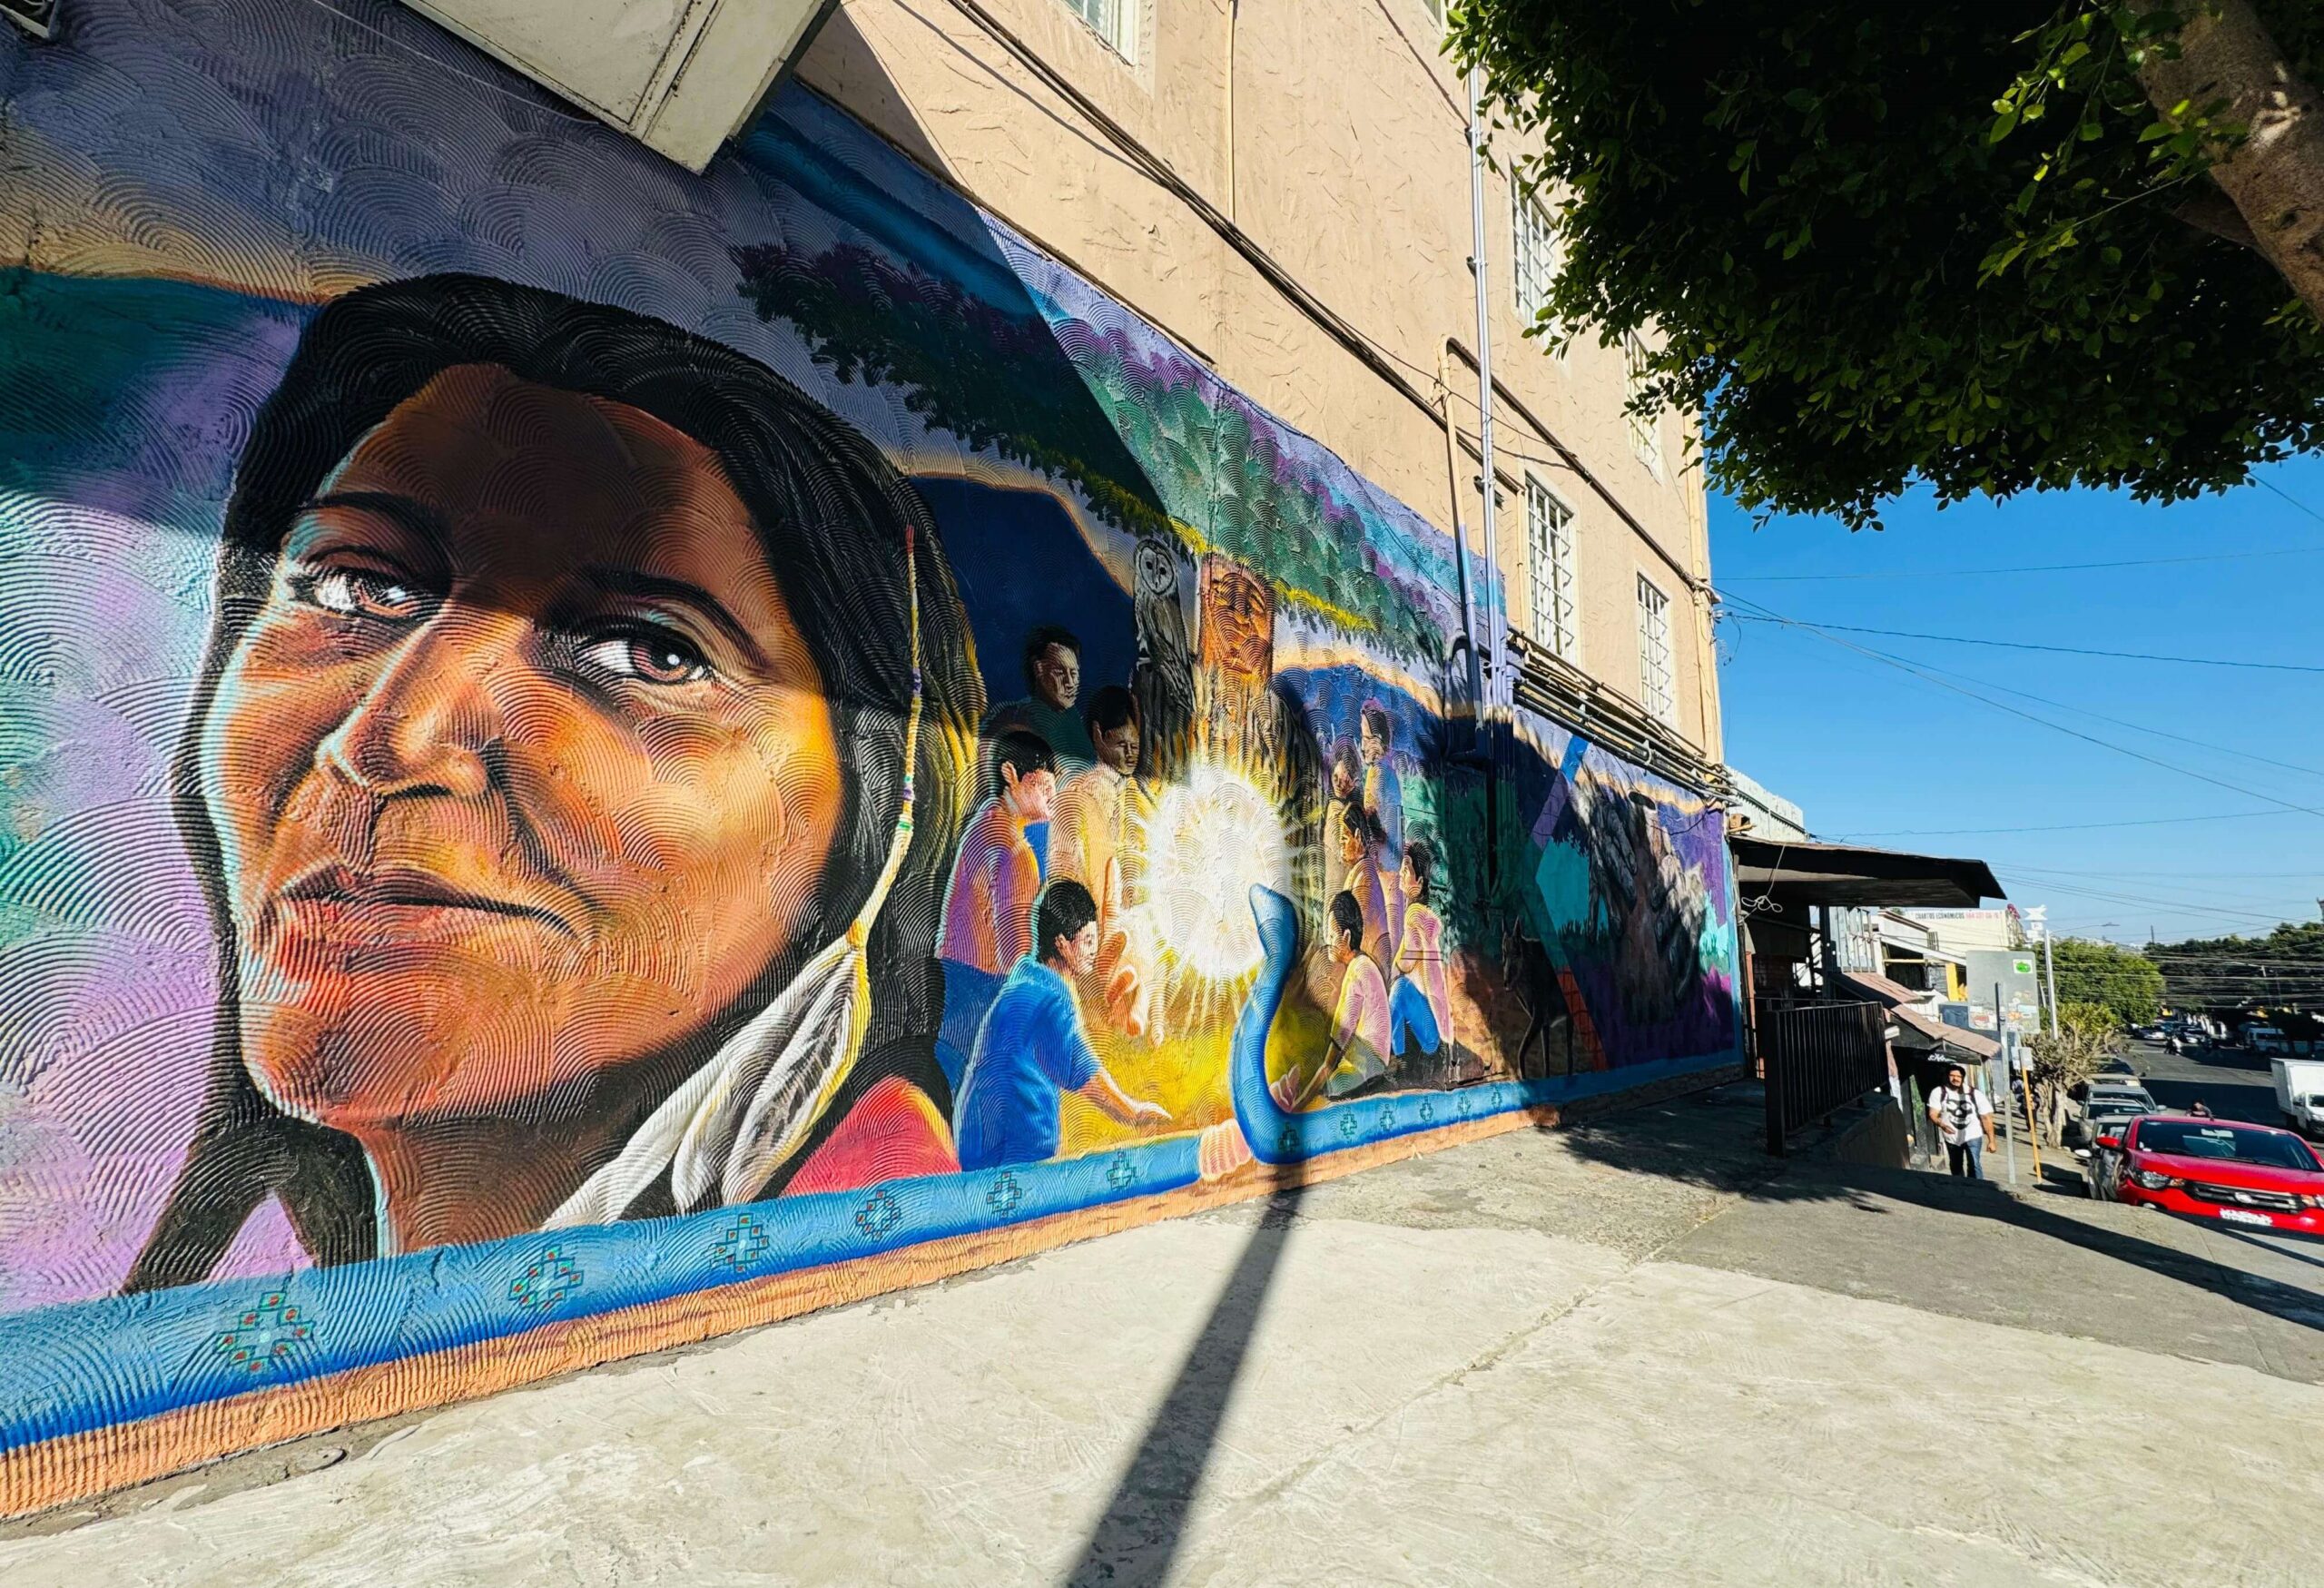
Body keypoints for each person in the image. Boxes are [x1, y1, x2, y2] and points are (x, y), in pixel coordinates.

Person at [125, 274, 984, 1290]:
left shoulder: (853, 1297)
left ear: (870, 824)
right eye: (360, 586)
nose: (389, 741)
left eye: (645, 653)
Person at [952, 881, 1171, 1169]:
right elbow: (1081, 1070)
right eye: (1088, 941)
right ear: (1062, 943)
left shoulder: (1026, 979)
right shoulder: (1049, 999)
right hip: (1015, 1148)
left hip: (973, 1139)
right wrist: (1133, 1111)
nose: (1094, 950)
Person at [1048, 685, 1155, 1040]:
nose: (1129, 754)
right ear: (1097, 736)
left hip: (1119, 903)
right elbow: (1066, 862)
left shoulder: (1133, 793)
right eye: (1121, 744)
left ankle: (1134, 1011)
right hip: (1088, 906)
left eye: (1135, 746)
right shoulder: (1084, 790)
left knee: (1141, 943)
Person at [938, 729, 1058, 976]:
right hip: (987, 983)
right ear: (1010, 774)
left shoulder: (987, 817)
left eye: (1052, 788)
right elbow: (1016, 952)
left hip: (952, 970)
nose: (1052, 797)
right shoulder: (1016, 852)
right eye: (1042, 787)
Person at [1273, 892, 1392, 1110]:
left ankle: (1297, 1095)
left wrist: (1299, 1105)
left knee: (1330, 1077)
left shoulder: (1356, 972)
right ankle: (1298, 1087)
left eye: (1330, 933)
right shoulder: (1364, 964)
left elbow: (1336, 1048)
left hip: (1370, 1065)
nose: (1327, 940)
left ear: (1345, 937)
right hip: (1373, 1060)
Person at [982, 625, 1095, 774]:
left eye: (1073, 673)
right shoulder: (1014, 716)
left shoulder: (1076, 722)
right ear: (1039, 669)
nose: (1070, 683)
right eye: (1060, 673)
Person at [1387, 837, 1449, 1063]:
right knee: (1400, 988)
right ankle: (1398, 1057)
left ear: (1420, 881)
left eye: (1406, 868)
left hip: (1430, 1029)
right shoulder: (1424, 915)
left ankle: (1392, 1056)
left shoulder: (1414, 915)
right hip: (1434, 1022)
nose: (1401, 873)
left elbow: (1402, 964)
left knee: (1400, 988)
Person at [1337, 806, 1398, 967]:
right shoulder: (1360, 871)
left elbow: (1362, 938)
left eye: (1344, 837)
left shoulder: (1365, 878)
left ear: (1357, 836)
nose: (1340, 843)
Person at [1927, 1063, 1997, 1179]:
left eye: (1958, 1076)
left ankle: (1977, 1189)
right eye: (1952, 1076)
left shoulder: (1975, 1094)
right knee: (1956, 1165)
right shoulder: (1939, 1092)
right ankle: (1961, 1189)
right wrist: (1941, 1124)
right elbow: (1933, 1113)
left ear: (1963, 1078)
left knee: (1974, 1163)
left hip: (1972, 1135)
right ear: (1947, 1077)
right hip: (1952, 1137)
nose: (1955, 1079)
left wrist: (1992, 1141)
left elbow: (1986, 1117)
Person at [1357, 701, 1403, 864]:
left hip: (1381, 861)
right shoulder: (1389, 772)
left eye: (1367, 738)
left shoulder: (1376, 772)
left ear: (1379, 739)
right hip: (1391, 859)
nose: (1363, 746)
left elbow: (1373, 822)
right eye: (1362, 738)